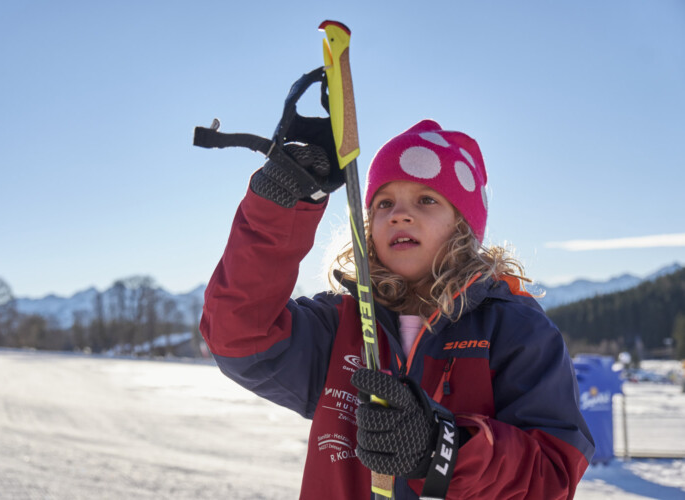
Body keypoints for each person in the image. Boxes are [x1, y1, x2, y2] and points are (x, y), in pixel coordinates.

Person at [200, 119, 594, 499]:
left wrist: (441, 450)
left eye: (426, 200)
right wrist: (280, 206)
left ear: (463, 226)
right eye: (384, 203)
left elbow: (553, 476)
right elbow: (241, 339)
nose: (399, 214)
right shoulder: (341, 325)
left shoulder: (514, 328)